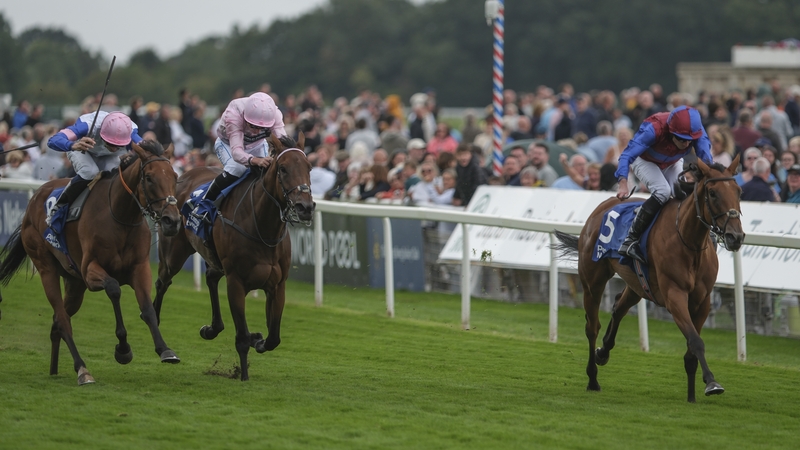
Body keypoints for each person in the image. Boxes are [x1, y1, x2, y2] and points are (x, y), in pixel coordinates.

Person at [615, 105, 714, 263]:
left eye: (690, 141)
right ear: (670, 131)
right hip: (644, 160)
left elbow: (707, 161)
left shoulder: (696, 130)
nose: (686, 144)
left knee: (683, 195)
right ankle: (630, 240)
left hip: (672, 161)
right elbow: (627, 155)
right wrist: (623, 183)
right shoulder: (654, 129)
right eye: (682, 139)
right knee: (663, 191)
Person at [188, 92, 284, 222]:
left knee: (267, 172)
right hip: (228, 144)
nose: (256, 131)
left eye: (261, 128)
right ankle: (204, 204)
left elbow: (283, 142)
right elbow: (237, 152)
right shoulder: (234, 113)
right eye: (252, 126)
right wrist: (255, 160)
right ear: (245, 117)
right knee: (238, 168)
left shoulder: (275, 115)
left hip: (257, 145)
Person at [46, 111, 142, 225]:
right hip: (81, 148)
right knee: (90, 172)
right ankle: (59, 206)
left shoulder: (131, 131)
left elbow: (149, 151)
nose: (115, 148)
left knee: (114, 174)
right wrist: (72, 145)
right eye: (111, 143)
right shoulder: (86, 125)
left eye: (120, 145)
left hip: (108, 156)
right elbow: (52, 140)